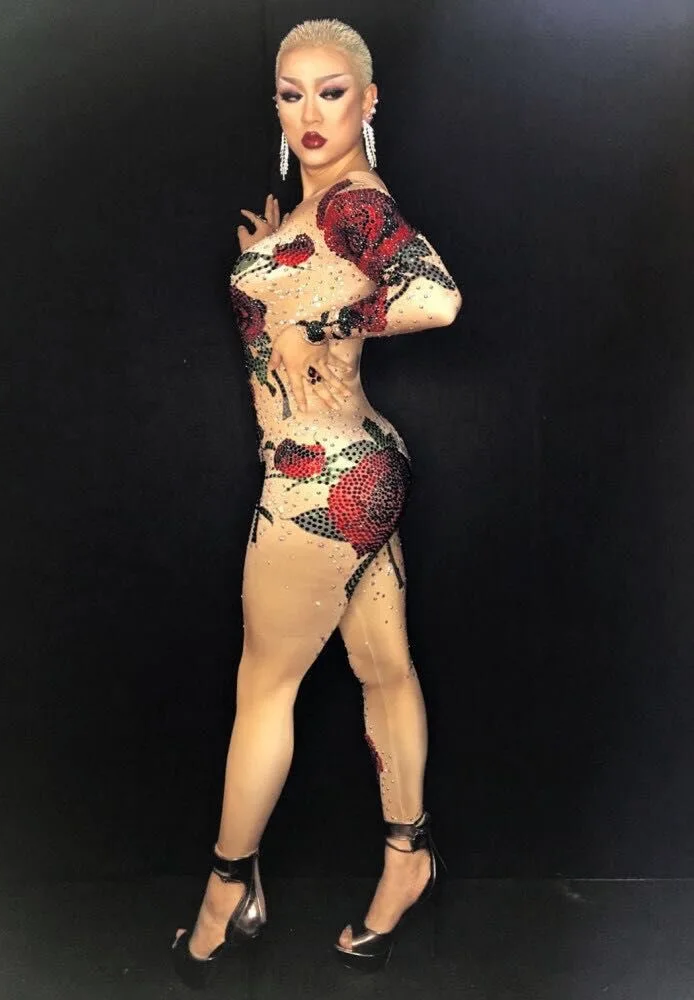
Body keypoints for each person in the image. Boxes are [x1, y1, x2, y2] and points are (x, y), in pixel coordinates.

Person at [172, 17, 462, 987]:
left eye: (332, 91)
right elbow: (300, 295)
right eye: (291, 93)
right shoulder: (318, 209)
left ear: (369, 102)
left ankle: (225, 896)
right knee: (384, 666)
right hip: (363, 465)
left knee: (265, 687)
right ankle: (408, 860)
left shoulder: (354, 204)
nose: (310, 111)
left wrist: (325, 313)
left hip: (317, 482)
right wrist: (274, 262)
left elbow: (436, 297)